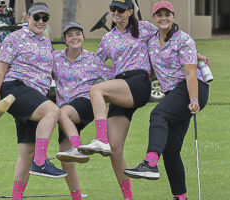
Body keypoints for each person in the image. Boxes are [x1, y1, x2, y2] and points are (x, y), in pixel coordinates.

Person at [123, 2, 210, 200]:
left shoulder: (184, 39)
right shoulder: (152, 40)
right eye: (159, 14)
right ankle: (180, 197)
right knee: (171, 151)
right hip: (174, 94)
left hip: (193, 88)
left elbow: (190, 73)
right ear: (154, 18)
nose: (163, 18)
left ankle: (150, 163)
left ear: (173, 16)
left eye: (167, 14)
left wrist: (194, 99)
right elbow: (152, 66)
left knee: (158, 114)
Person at [76, 0, 158, 199]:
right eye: (113, 9)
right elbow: (96, 63)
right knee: (115, 150)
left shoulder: (145, 29)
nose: (115, 12)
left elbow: (167, 42)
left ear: (130, 11)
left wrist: (193, 56)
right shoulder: (108, 38)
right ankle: (128, 197)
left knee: (96, 90)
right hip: (119, 85)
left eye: (120, 9)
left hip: (138, 82)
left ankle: (100, 139)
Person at [0, 2, 67, 200]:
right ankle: (41, 162)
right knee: (52, 111)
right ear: (28, 17)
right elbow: (0, 71)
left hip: (35, 97)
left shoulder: (46, 42)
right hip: (15, 89)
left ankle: (17, 196)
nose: (40, 21)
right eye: (36, 17)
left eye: (45, 18)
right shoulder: (14, 38)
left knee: (26, 153)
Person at [52, 22, 112, 200]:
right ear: (65, 40)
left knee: (62, 113)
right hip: (66, 112)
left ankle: (77, 146)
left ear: (83, 37)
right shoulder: (55, 58)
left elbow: (113, 76)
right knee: (65, 158)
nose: (75, 37)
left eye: (78, 33)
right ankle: (77, 196)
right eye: (70, 35)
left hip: (85, 104)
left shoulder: (92, 59)